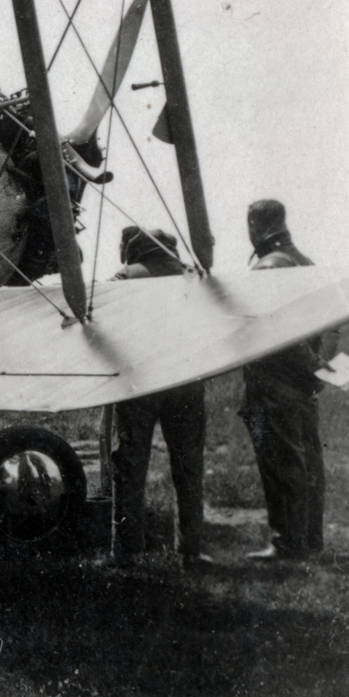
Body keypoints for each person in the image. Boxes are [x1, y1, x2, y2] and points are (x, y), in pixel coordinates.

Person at [107, 226, 209, 568]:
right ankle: (191, 550)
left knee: (130, 467)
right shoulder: (192, 275)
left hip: (140, 383)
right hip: (186, 380)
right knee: (189, 467)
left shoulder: (125, 276)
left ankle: (127, 550)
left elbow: (102, 321)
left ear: (136, 249)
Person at [241, 199, 333, 561]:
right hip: (303, 387)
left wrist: (311, 365)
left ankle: (288, 541)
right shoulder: (304, 262)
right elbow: (327, 323)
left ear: (255, 224)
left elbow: (282, 332)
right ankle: (311, 539)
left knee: (282, 463)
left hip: (272, 385)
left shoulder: (269, 267)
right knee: (309, 462)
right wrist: (320, 366)